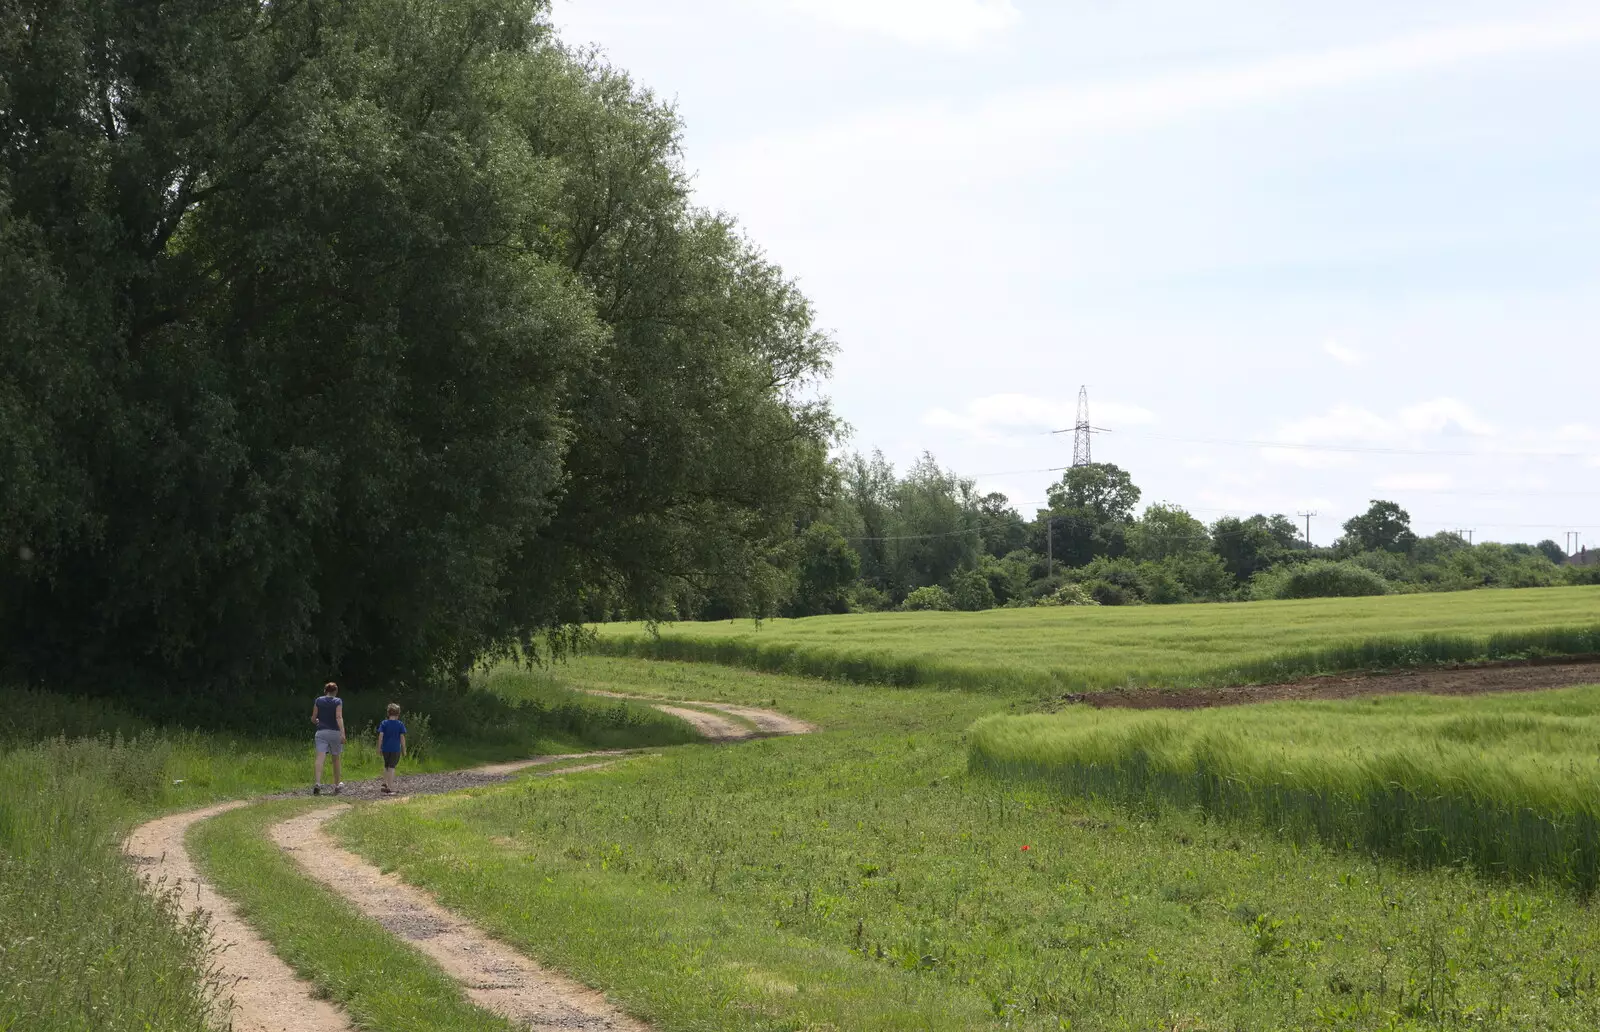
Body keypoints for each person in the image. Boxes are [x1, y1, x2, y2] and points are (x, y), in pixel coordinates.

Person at [311, 681, 345, 795]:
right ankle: (336, 785)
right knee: (335, 759)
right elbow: (338, 716)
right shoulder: (337, 701)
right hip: (334, 732)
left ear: (325, 691)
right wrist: (342, 733)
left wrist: (316, 721)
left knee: (320, 758)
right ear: (335, 691)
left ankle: (317, 783)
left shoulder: (318, 700)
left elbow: (313, 718)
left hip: (321, 732)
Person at [376, 703, 407, 794]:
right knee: (392, 767)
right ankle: (390, 787)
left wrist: (379, 747)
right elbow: (402, 737)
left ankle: (385, 783)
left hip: (385, 749)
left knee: (386, 766)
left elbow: (381, 736)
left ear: (388, 713)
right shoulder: (400, 724)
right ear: (398, 714)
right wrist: (404, 749)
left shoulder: (384, 723)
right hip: (395, 749)